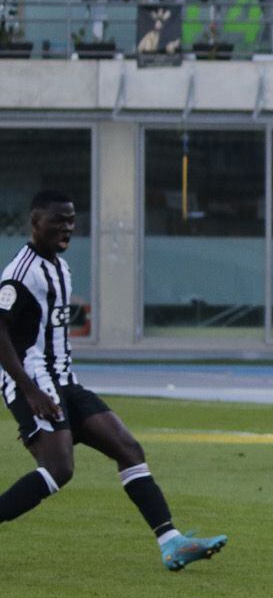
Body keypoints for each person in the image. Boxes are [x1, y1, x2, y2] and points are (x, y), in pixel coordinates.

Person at [0, 190, 226, 569]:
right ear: (35, 222)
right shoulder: (20, 275)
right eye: (58, 220)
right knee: (60, 470)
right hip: (33, 383)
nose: (68, 228)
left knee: (128, 448)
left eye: (72, 220)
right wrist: (30, 392)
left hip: (64, 381)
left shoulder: (59, 267)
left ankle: (172, 543)